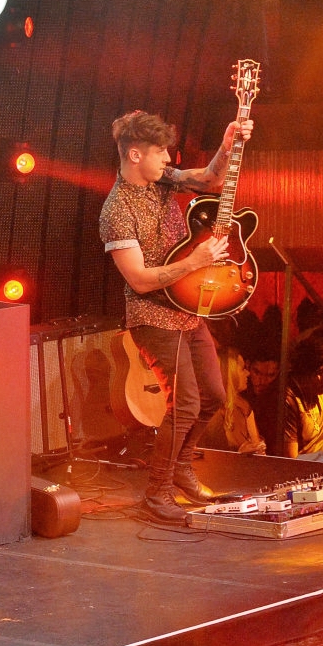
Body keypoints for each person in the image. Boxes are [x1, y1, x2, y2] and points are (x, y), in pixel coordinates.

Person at [99, 109, 252, 523]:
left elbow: (210, 180)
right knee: (184, 404)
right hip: (152, 316)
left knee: (215, 396)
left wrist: (227, 145)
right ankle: (157, 493)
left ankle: (181, 469)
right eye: (160, 152)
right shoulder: (117, 211)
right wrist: (195, 261)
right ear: (135, 155)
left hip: (187, 311)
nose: (168, 159)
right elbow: (139, 280)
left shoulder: (161, 179)